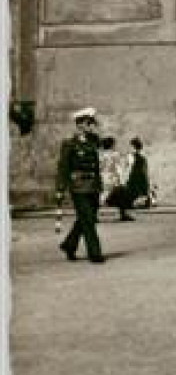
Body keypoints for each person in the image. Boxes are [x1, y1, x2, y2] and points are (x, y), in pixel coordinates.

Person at [57, 108, 105, 263]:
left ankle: (69, 244)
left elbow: (98, 164)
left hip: (93, 187)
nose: (91, 125)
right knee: (88, 219)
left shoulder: (94, 141)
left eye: (92, 123)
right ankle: (95, 253)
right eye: (88, 123)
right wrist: (60, 188)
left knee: (85, 219)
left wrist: (100, 186)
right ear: (79, 125)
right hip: (78, 186)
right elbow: (63, 166)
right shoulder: (69, 143)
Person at [107, 137, 150, 221]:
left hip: (133, 183)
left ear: (134, 147)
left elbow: (137, 172)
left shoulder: (137, 158)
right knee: (121, 195)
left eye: (131, 146)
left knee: (122, 195)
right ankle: (123, 214)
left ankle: (124, 214)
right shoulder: (136, 157)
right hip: (132, 183)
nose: (129, 148)